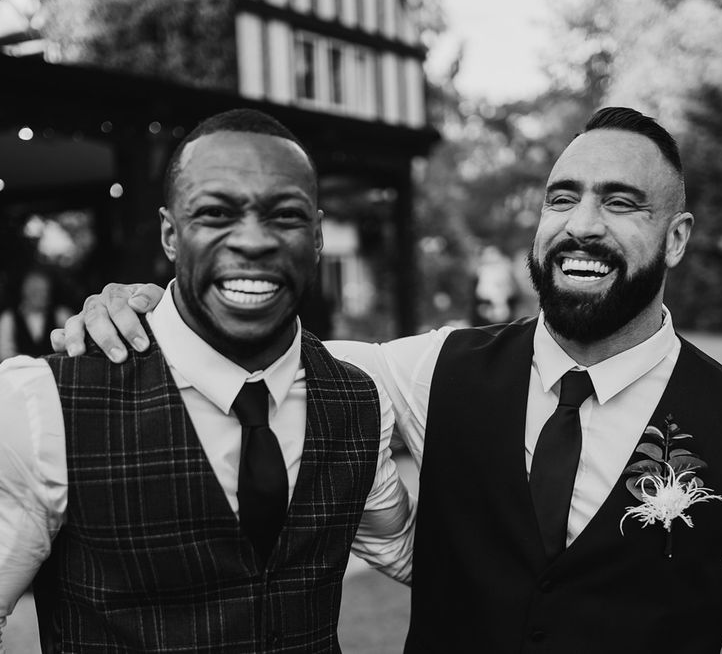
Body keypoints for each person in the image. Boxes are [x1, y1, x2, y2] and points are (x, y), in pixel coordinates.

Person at [52, 108, 722, 653]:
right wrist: (146, 308)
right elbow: (250, 345)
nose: (581, 226)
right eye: (561, 198)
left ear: (676, 236)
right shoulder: (434, 369)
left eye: (621, 202)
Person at [0, 108, 414, 653]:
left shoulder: (358, 401)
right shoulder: (42, 403)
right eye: (217, 213)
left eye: (285, 216)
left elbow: (416, 556)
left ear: (316, 238)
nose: (253, 241)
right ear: (172, 234)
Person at [0, 268, 71, 361]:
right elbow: (5, 355)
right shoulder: (9, 318)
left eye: (45, 291)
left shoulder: (61, 314)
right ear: (25, 292)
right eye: (37, 291)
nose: (43, 295)